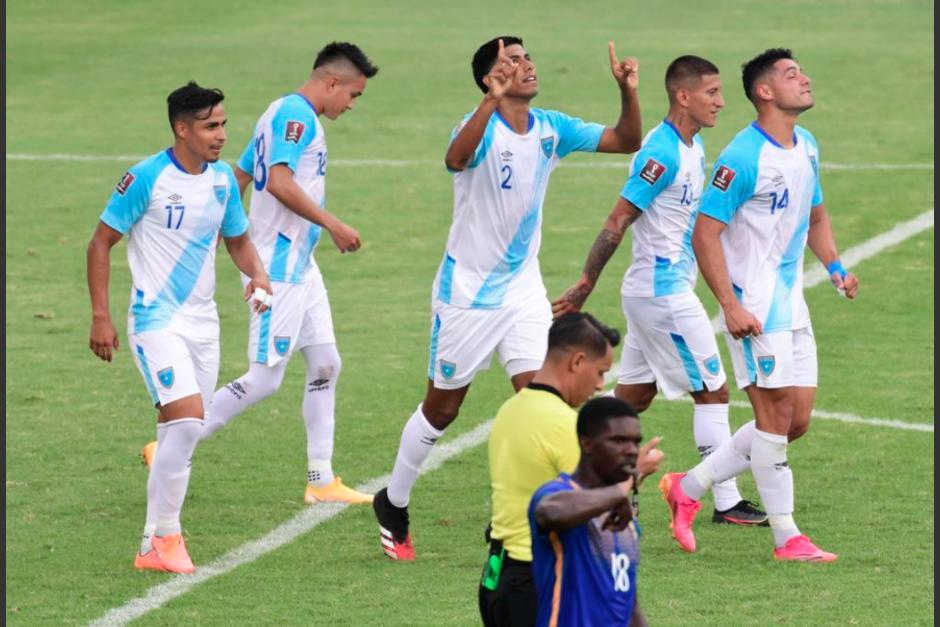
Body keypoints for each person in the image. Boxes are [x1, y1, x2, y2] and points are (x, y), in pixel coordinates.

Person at [372, 34, 644, 561]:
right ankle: (393, 501)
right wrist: (490, 101)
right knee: (442, 410)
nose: (525, 66)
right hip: (468, 295)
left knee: (543, 397)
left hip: (523, 291)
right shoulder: (477, 127)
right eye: (509, 62)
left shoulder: (552, 128)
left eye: (525, 57)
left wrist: (627, 91)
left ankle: (526, 518)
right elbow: (456, 157)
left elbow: (626, 140)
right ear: (488, 79)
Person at [659, 48, 859, 562]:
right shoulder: (742, 158)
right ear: (765, 91)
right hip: (754, 309)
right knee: (773, 420)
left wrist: (835, 268)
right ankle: (787, 537)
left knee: (796, 421)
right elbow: (705, 234)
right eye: (793, 74)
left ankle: (689, 486)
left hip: (792, 304)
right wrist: (728, 304)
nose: (805, 78)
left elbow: (816, 216)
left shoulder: (806, 145)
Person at [159, 43, 378, 506]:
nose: (352, 105)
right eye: (353, 95)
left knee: (325, 364)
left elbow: (240, 171)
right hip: (276, 267)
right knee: (265, 378)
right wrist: (333, 224)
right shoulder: (295, 118)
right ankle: (169, 445)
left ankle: (321, 480)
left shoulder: (282, 112)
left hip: (300, 262)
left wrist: (219, 226)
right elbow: (276, 181)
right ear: (332, 82)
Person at [553, 55, 767, 527]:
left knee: (634, 395)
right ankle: (725, 500)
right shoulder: (662, 152)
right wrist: (586, 281)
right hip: (663, 294)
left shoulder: (693, 146)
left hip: (658, 292)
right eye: (712, 92)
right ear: (683, 96)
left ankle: (569, 470)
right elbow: (617, 220)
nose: (721, 102)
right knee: (713, 391)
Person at [87, 81, 271, 573]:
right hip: (155, 321)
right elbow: (100, 243)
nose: (221, 135)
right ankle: (164, 537)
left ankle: (153, 544)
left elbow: (238, 239)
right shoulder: (145, 177)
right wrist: (101, 316)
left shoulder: (223, 183)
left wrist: (258, 275)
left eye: (224, 124)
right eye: (211, 126)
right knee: (189, 421)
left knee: (178, 432)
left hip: (204, 325)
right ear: (181, 128)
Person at [479, 313, 662, 627]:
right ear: (577, 361)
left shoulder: (512, 408)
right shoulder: (564, 424)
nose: (601, 384)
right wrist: (633, 476)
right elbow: (591, 504)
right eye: (600, 372)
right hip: (540, 581)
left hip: (497, 576)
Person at [529, 396, 650, 626]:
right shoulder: (557, 493)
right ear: (587, 443)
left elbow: (629, 604)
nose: (631, 451)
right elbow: (549, 513)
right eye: (619, 440)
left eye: (636, 442)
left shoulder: (624, 519)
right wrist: (621, 489)